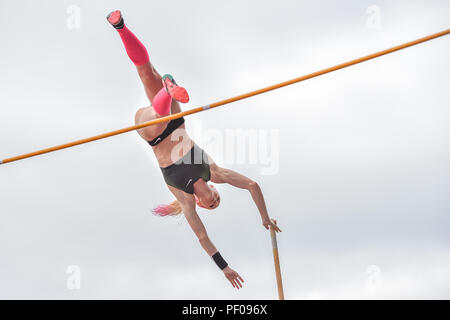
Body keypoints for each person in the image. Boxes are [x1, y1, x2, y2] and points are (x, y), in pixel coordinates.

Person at [107, 10, 281, 289]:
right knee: (145, 69)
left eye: (211, 205)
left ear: (201, 203)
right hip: (175, 119)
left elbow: (202, 237)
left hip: (150, 131)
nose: (214, 200)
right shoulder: (214, 172)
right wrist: (263, 218)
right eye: (217, 199)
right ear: (214, 190)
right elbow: (252, 184)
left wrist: (224, 268)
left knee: (158, 114)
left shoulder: (185, 198)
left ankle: (167, 91)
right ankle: (120, 26)